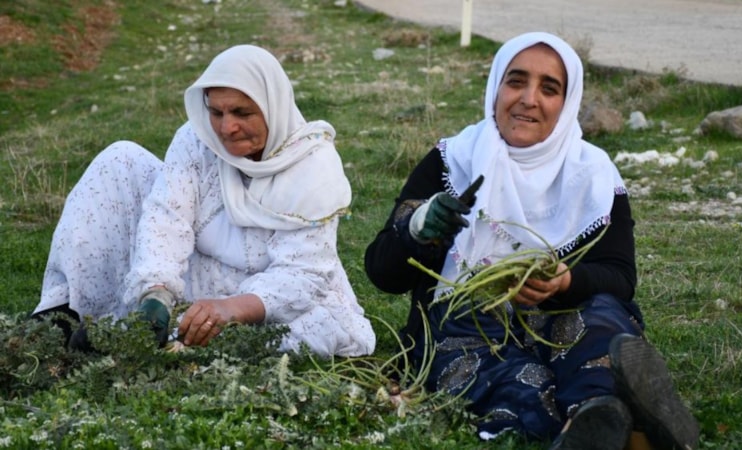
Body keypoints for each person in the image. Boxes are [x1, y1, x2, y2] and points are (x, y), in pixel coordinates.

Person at [364, 32, 699, 449]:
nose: (528, 99)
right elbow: (382, 273)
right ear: (496, 88)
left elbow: (620, 277)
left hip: (561, 319)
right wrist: (417, 228)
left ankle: (600, 413)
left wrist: (565, 281)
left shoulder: (592, 174)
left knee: (600, 324)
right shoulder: (454, 161)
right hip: (468, 327)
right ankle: (616, 425)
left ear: (567, 102)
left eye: (549, 89)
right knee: (509, 380)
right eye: (516, 81)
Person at [31, 44, 375, 358]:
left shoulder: (314, 167)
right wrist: (156, 292)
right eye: (217, 112)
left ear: (273, 107)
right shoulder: (198, 140)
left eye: (242, 113)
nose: (227, 128)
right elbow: (167, 218)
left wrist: (230, 309)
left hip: (267, 292)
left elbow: (302, 274)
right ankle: (64, 316)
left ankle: (157, 335)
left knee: (311, 329)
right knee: (120, 160)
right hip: (197, 270)